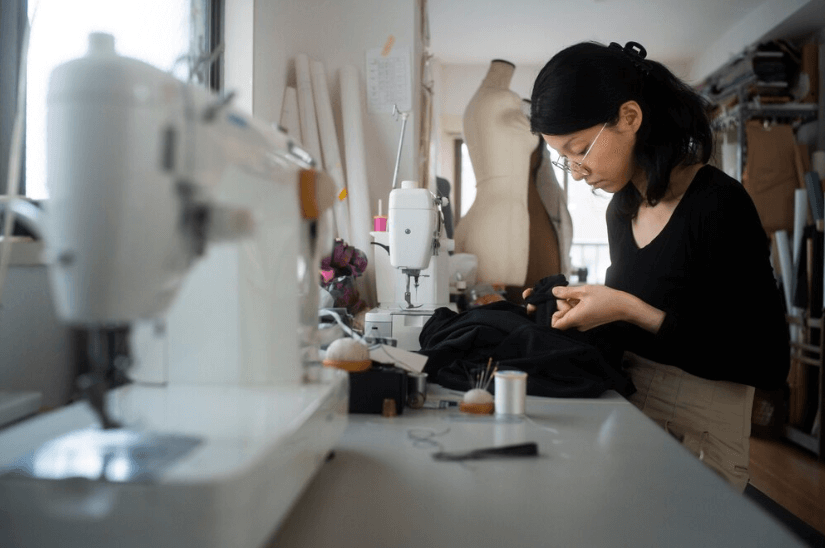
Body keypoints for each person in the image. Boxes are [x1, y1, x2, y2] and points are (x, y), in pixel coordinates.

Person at [525, 41, 790, 492]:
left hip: (704, 433)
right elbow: (633, 329)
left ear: (629, 118)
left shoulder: (717, 204)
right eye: (563, 158)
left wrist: (629, 308)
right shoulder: (621, 210)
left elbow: (766, 361)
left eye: (582, 150)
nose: (577, 172)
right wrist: (581, 309)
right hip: (635, 411)